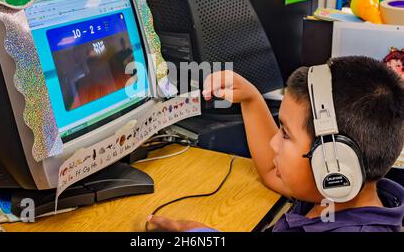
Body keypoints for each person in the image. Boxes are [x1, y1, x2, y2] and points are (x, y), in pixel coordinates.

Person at [147, 56, 404, 232]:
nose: (273, 143)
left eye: (285, 134)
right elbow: (273, 171)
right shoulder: (333, 194)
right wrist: (250, 99)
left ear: (332, 161)